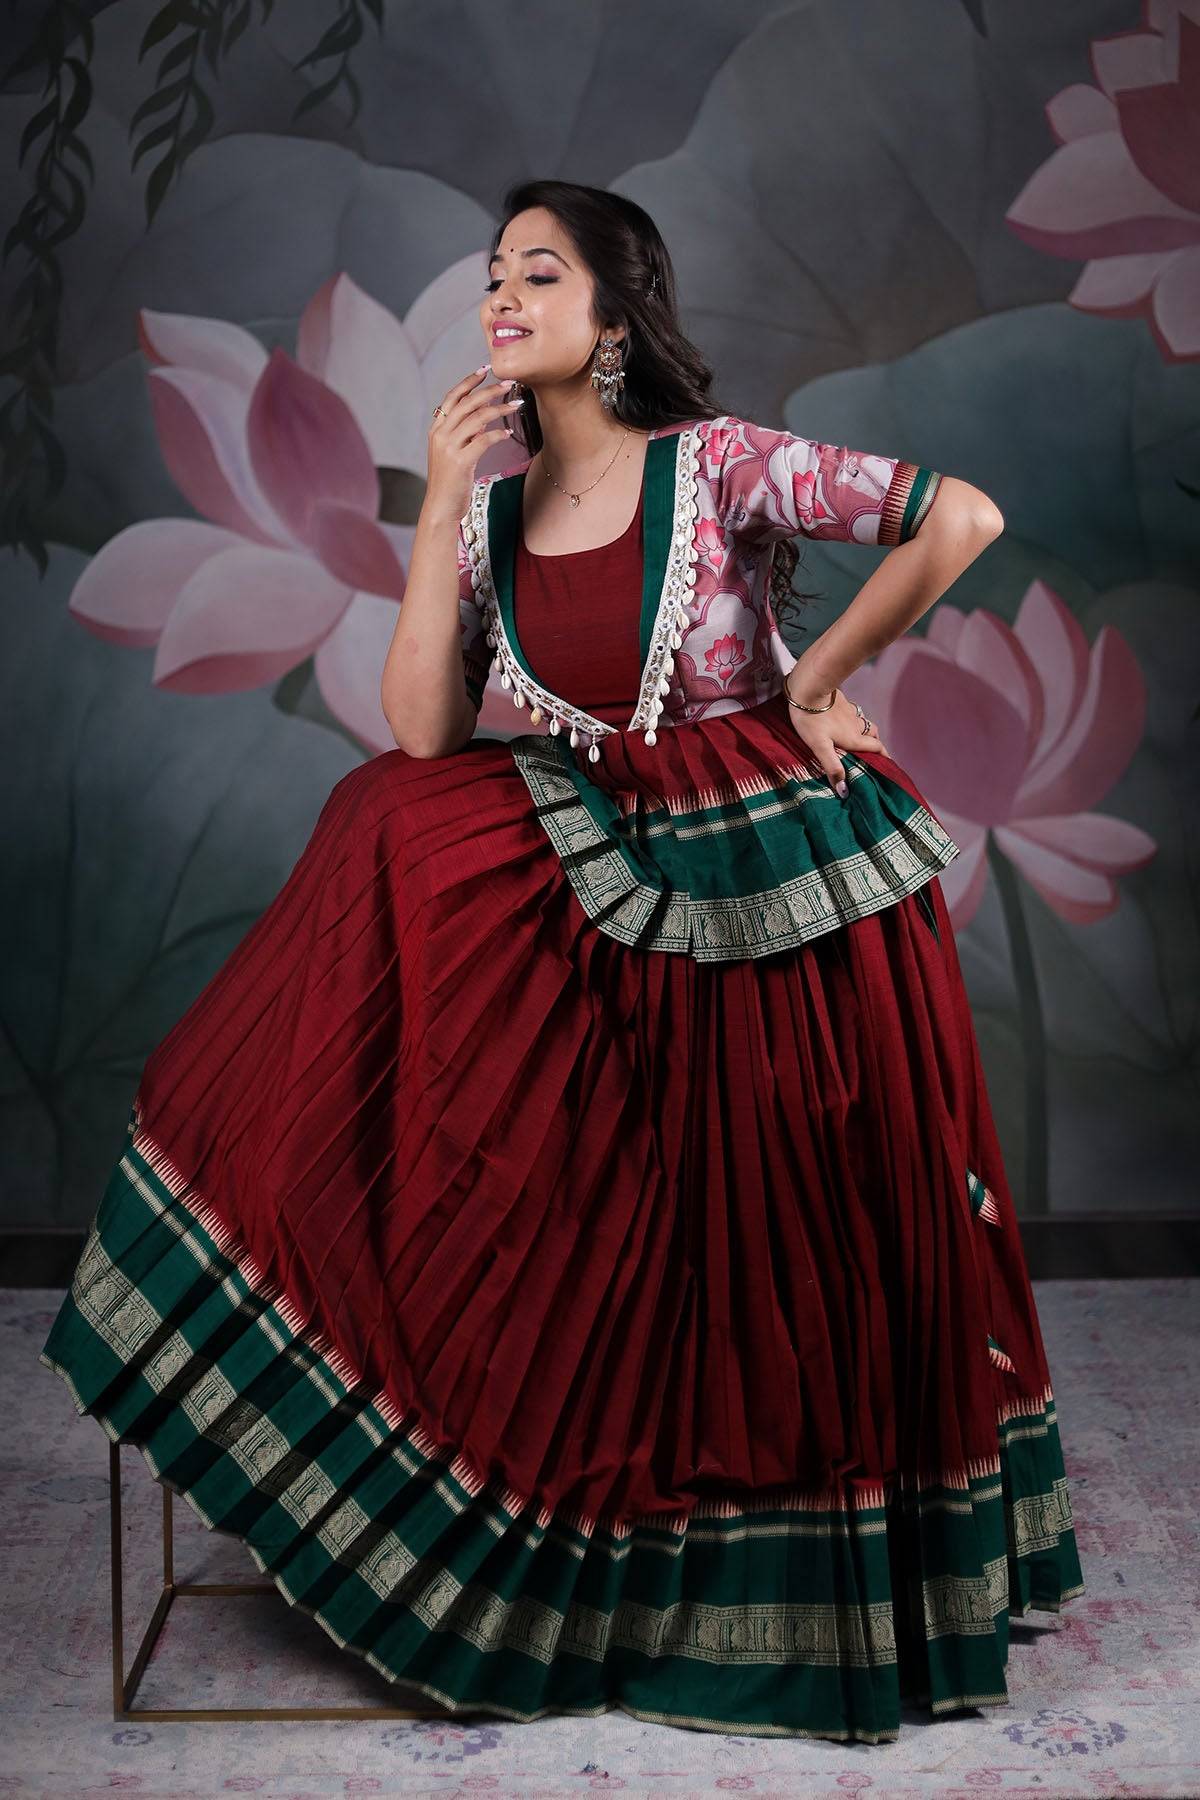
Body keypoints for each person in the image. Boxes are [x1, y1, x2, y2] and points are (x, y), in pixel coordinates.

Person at [40, 179, 1084, 1744]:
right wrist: (436, 499)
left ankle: (815, 1582)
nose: (503, 299)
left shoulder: (718, 462)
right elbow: (419, 732)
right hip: (611, 867)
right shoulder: (491, 512)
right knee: (390, 818)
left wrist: (827, 681)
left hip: (763, 877)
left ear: (614, 313)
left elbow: (965, 516)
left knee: (781, 1242)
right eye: (492, 277)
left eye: (542, 273)